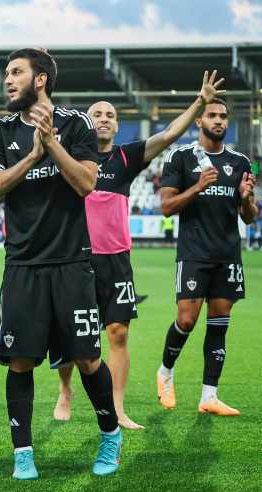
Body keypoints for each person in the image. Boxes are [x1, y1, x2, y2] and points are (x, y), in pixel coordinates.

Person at [52, 71, 226, 429]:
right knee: (73, 335)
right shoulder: (67, 158)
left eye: (110, 115)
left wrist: (200, 102)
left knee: (118, 333)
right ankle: (65, 391)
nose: (103, 118)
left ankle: (116, 410)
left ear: (117, 127)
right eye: (97, 113)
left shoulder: (126, 158)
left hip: (117, 260)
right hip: (76, 258)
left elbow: (169, 134)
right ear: (86, 123)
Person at [0, 48, 121, 480]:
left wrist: (52, 144)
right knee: (20, 361)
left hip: (71, 263)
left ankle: (110, 436)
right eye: (6, 73)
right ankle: (23, 454)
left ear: (40, 79)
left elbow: (85, 183)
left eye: (16, 72)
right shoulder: (0, 131)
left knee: (87, 360)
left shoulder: (76, 123)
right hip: (22, 265)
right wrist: (31, 156)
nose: (8, 80)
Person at [156, 97, 257, 416]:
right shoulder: (181, 158)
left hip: (227, 254)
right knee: (186, 319)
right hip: (194, 253)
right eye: (212, 116)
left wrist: (246, 198)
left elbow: (249, 217)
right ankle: (165, 372)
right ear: (199, 121)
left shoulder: (240, 161)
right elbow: (167, 207)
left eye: (223, 116)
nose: (219, 121)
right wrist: (197, 187)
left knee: (219, 324)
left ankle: (209, 396)